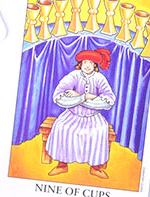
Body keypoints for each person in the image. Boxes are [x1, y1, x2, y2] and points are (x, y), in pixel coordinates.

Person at [45, 48, 117, 179]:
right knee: (62, 127)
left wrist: (80, 98)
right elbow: (58, 96)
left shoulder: (100, 78)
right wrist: (84, 97)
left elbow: (109, 100)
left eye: (90, 63)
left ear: (95, 65)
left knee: (99, 130)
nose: (87, 66)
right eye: (84, 62)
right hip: (72, 115)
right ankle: (62, 165)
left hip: (93, 117)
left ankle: (95, 167)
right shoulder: (73, 76)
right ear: (80, 64)